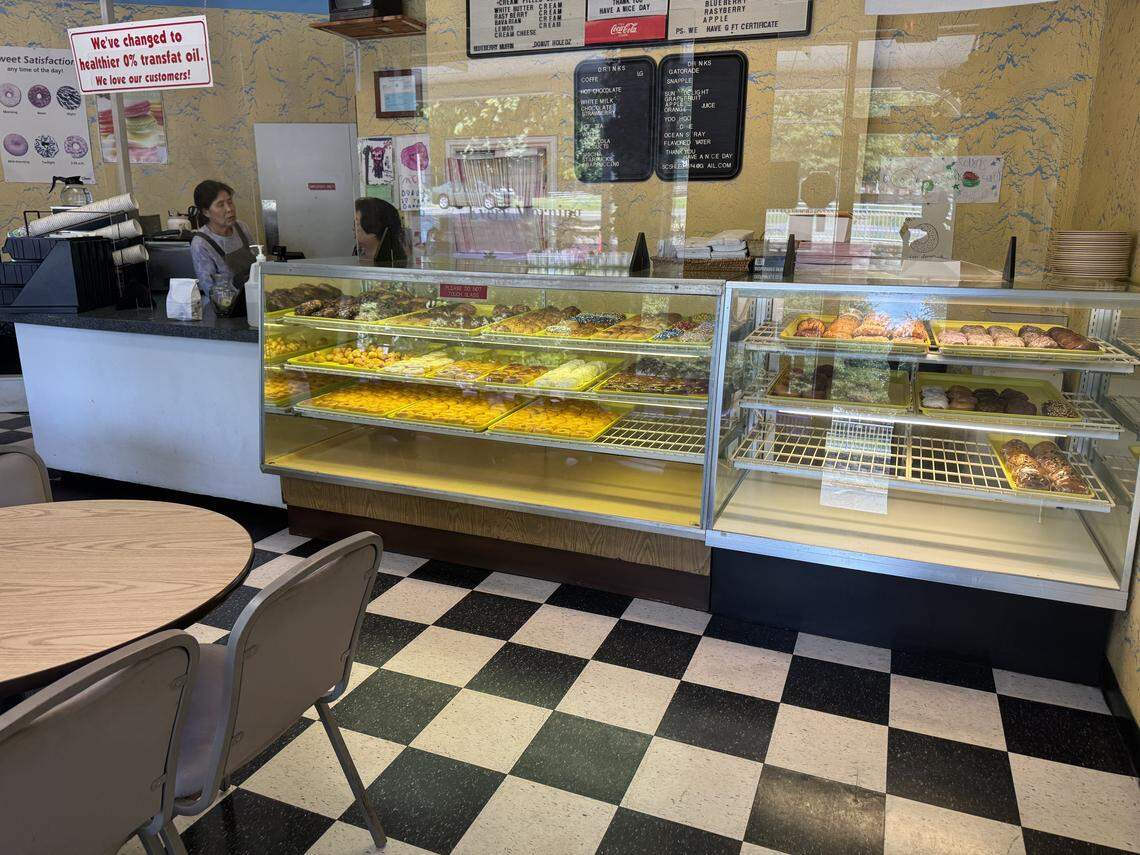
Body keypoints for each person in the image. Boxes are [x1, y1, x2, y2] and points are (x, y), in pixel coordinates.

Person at [189, 180, 256, 298]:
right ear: (206, 212)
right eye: (221, 205)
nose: (229, 209)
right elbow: (210, 289)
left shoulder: (241, 227)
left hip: (254, 297)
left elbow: (258, 263)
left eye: (230, 202)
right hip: (227, 307)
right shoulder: (201, 243)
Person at [354, 197, 408, 266]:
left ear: (373, 226)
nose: (354, 228)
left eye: (357, 223)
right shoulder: (357, 252)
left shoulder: (394, 262)